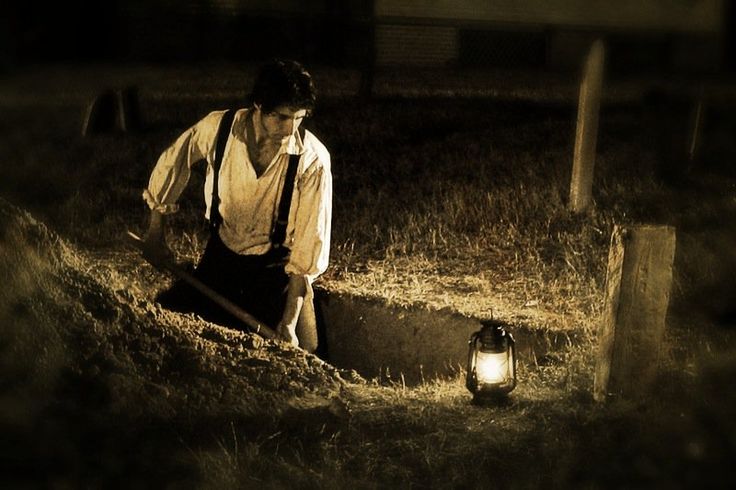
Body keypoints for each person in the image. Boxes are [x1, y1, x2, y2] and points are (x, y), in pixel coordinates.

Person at [140, 59, 331, 353]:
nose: (290, 128)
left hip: (272, 275)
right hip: (220, 261)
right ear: (258, 105)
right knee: (166, 328)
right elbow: (173, 162)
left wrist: (290, 323)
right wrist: (155, 232)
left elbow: (307, 248)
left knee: (274, 353)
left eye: (299, 117)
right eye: (281, 117)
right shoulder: (219, 128)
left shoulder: (312, 160)